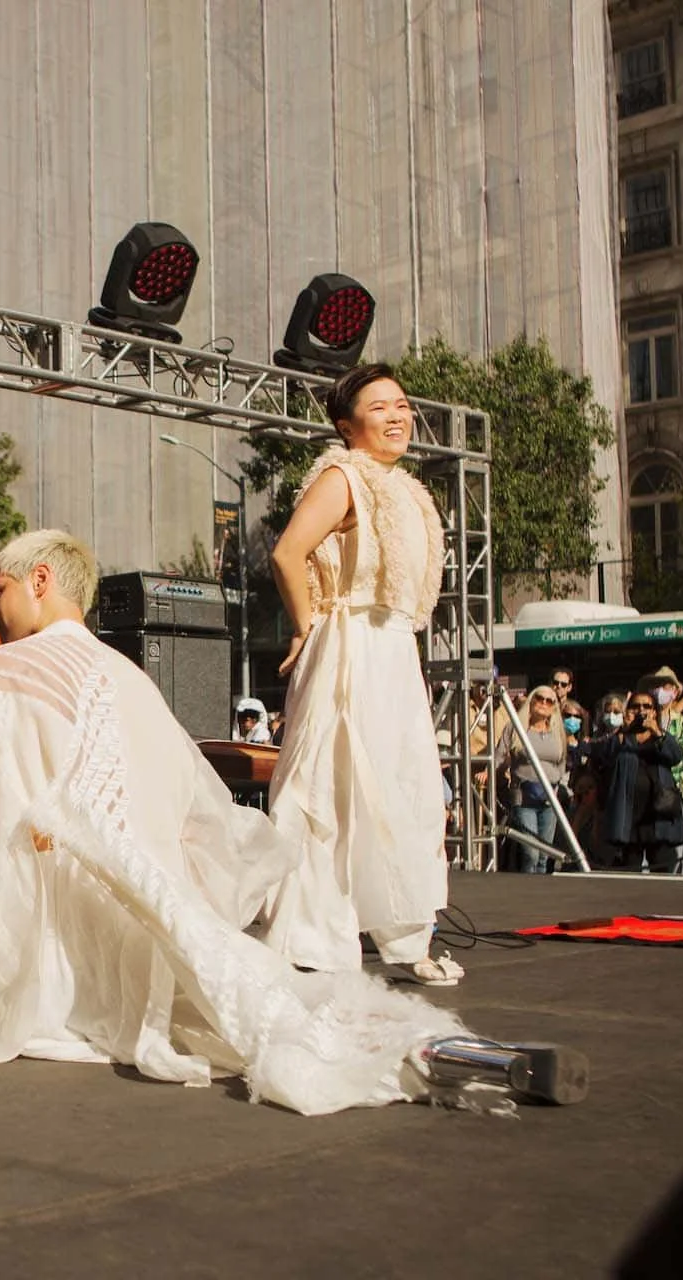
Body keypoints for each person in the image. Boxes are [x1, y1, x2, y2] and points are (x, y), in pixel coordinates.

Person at [0, 530, 587, 1114]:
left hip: (23, 945)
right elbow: (198, 820)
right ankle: (459, 1058)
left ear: (41, 582)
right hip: (129, 953)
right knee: (274, 1000)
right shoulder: (130, 681)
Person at [259, 364, 462, 986]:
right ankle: (309, 938)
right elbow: (288, 553)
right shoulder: (343, 475)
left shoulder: (408, 491)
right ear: (348, 426)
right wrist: (304, 623)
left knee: (404, 791)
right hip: (350, 643)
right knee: (333, 789)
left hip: (395, 647)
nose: (398, 416)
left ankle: (407, 939)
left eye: (402, 404)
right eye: (380, 408)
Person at [591, 694, 683, 873]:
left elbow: (676, 756)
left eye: (647, 706)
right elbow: (603, 756)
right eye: (635, 706)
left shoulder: (660, 737)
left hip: (657, 816)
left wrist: (656, 731)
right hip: (628, 816)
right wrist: (622, 731)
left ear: (654, 711)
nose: (641, 710)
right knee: (629, 870)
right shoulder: (622, 737)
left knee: (663, 868)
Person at [498, 685, 569, 873]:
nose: (544, 703)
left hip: (549, 798)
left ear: (554, 706)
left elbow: (562, 761)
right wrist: (491, 773)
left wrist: (557, 781)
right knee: (531, 854)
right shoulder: (516, 727)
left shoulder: (557, 731)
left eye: (549, 701)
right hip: (524, 797)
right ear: (531, 700)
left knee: (544, 855)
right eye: (539, 698)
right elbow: (499, 755)